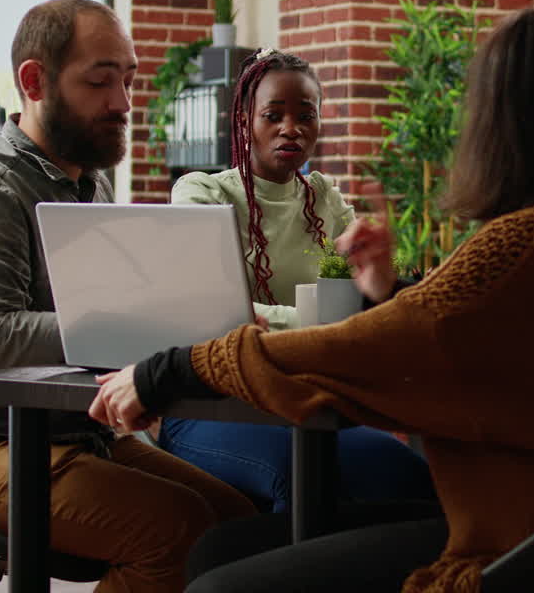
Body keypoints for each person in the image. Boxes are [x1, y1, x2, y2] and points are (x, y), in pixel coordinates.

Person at [90, 2, 534, 593]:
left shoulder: (526, 243)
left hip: (525, 552)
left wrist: (172, 368)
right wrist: (389, 292)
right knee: (224, 548)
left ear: (501, 118)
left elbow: (363, 346)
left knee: (218, 581)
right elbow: (445, 327)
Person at [0, 0, 255, 593]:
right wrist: (157, 326)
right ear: (34, 82)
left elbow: (94, 316)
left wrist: (174, 324)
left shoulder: (89, 182)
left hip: (73, 431)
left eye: (128, 80)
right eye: (99, 82)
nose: (123, 103)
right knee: (176, 529)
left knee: (238, 525)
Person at [161, 48, 435, 513]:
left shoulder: (325, 198)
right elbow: (214, 314)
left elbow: (368, 301)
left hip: (306, 399)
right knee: (304, 479)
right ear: (245, 121)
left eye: (306, 115)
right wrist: (326, 325)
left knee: (413, 476)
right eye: (273, 116)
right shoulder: (202, 193)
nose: (292, 128)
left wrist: (386, 277)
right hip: (211, 401)